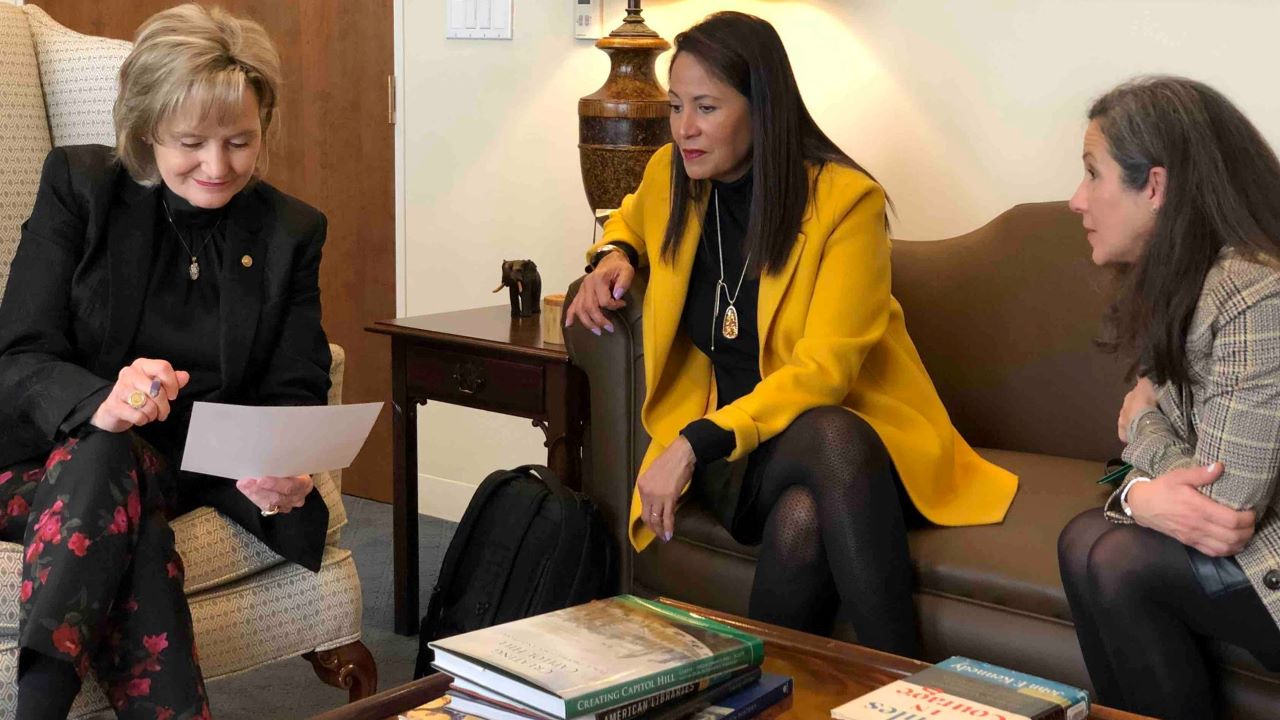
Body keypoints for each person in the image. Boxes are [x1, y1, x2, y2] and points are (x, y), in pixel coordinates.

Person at [564, 11, 1017, 656]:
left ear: (763, 109)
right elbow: (629, 222)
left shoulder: (845, 203)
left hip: (846, 440)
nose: (683, 128)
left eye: (706, 107)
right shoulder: (672, 175)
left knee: (814, 489)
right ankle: (913, 688)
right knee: (808, 489)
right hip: (739, 451)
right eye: (674, 106)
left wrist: (693, 444)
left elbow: (825, 372)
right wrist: (613, 255)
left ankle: (806, 686)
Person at [0, 5, 332, 717]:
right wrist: (101, 404)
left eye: (240, 141)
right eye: (192, 142)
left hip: (178, 471)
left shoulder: (289, 231)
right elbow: (19, 353)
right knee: (115, 468)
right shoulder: (80, 188)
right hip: (31, 462)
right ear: (147, 129)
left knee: (119, 474)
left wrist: (281, 462)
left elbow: (295, 385)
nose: (218, 167)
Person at [1057, 76, 1280, 719]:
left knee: (1112, 556)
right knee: (1087, 542)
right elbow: (1116, 458)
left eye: (1091, 174)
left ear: (1153, 187)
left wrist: (1144, 425)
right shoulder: (1177, 280)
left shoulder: (1250, 292)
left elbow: (1223, 507)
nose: (1077, 200)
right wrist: (1138, 493)